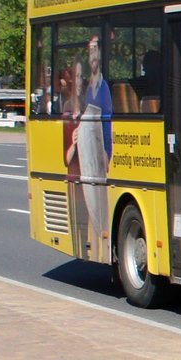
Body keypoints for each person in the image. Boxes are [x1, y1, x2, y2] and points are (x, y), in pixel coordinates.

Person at [81, 35, 112, 260]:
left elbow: (107, 121)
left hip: (98, 149)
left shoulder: (103, 87)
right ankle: (98, 249)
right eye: (90, 52)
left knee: (100, 202)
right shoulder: (88, 87)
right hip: (87, 149)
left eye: (95, 52)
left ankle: (103, 246)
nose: (93, 57)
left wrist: (107, 152)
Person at [60, 61, 89, 258]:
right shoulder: (68, 108)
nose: (79, 81)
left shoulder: (89, 106)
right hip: (74, 176)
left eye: (81, 77)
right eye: (76, 77)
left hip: (89, 176)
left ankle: (87, 252)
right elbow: (66, 158)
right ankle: (81, 252)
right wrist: (74, 143)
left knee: (88, 224)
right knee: (77, 226)